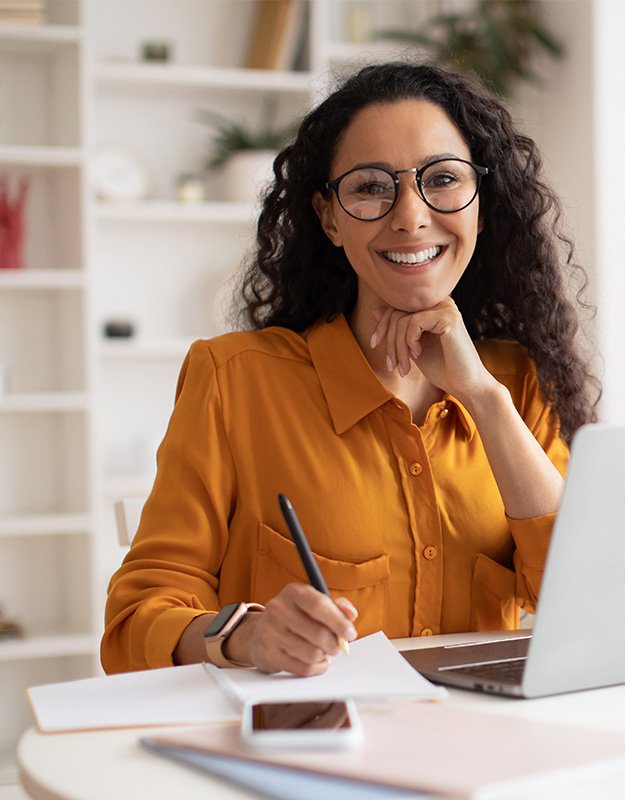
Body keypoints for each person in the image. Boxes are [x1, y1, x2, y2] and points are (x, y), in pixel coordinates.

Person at [102, 62, 598, 676]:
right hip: (308, 750)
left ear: (481, 205)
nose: (411, 216)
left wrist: (483, 397)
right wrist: (246, 636)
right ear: (330, 217)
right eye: (370, 187)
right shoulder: (234, 380)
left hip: (479, 749)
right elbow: (136, 619)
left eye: (441, 179)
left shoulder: (516, 383)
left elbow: (590, 604)